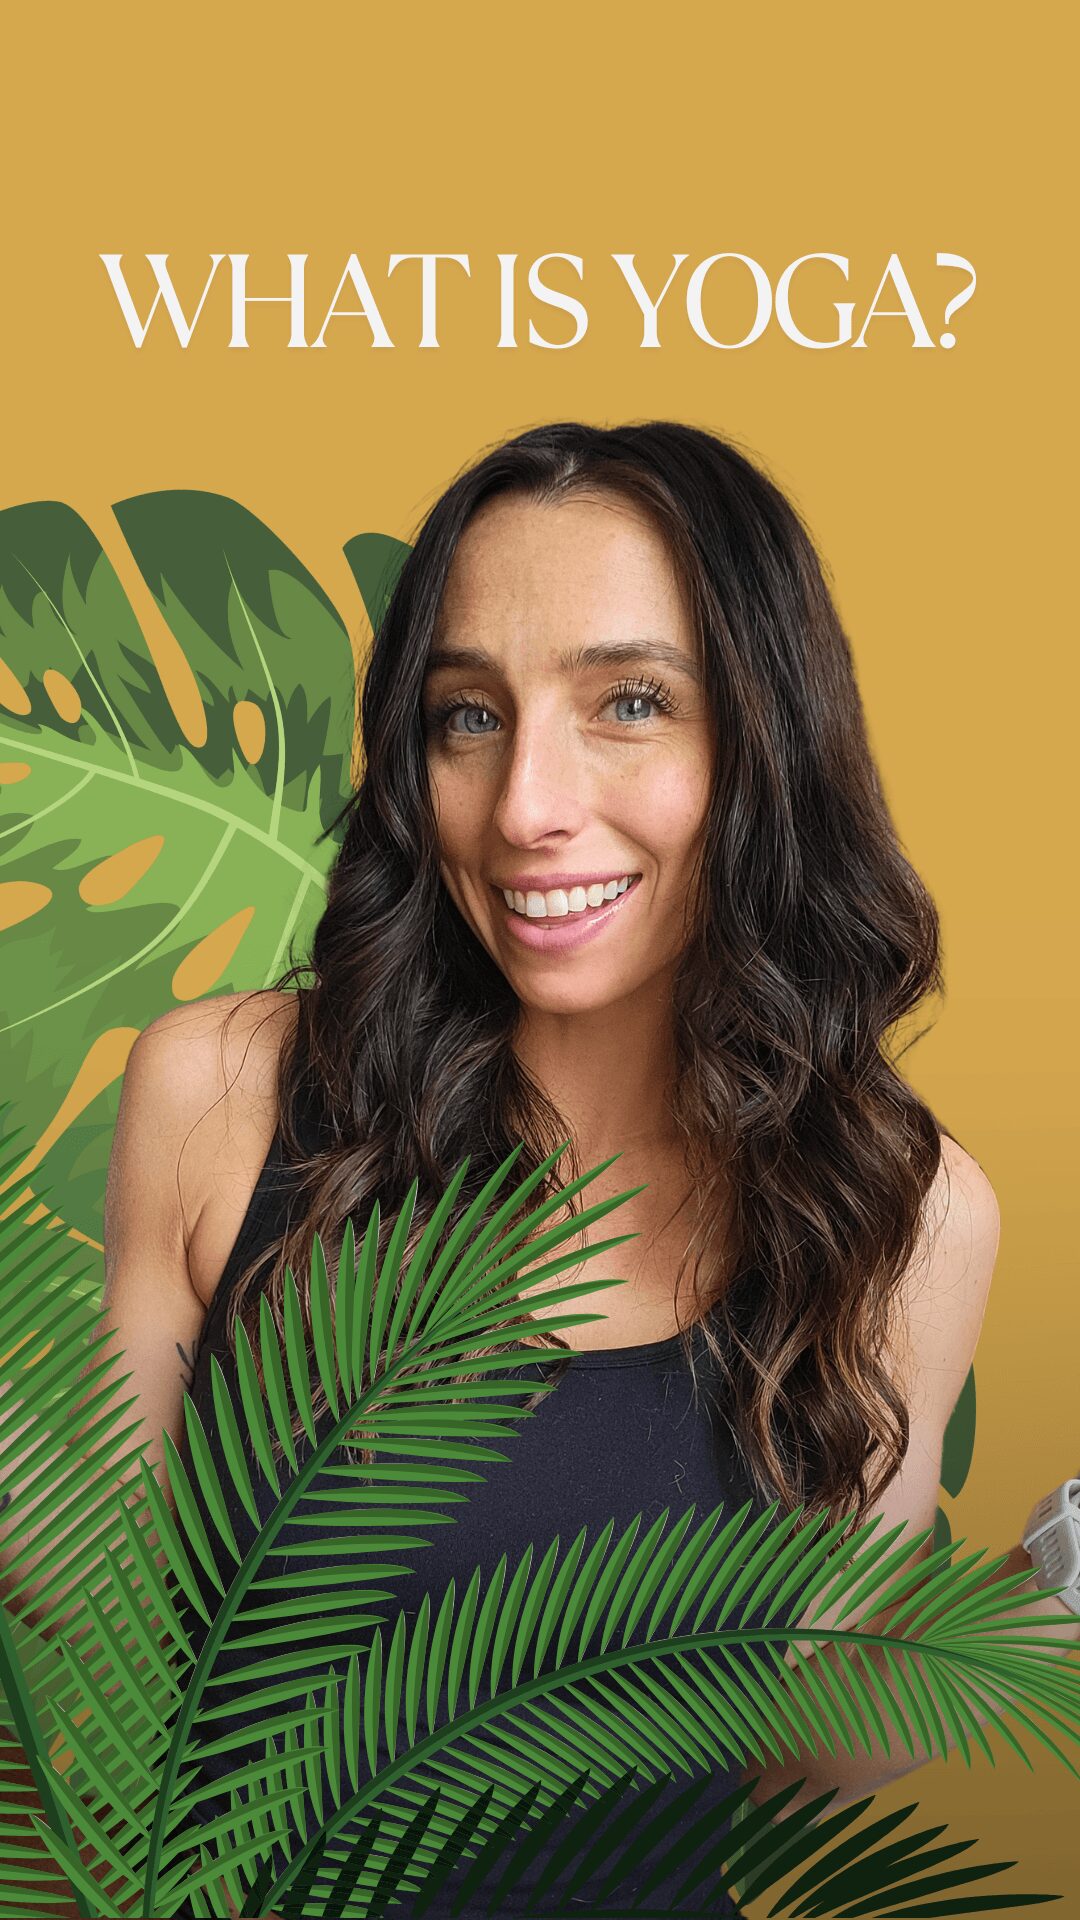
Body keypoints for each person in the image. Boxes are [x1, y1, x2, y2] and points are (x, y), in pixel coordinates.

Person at [101, 421, 1076, 1919]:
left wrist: (1064, 1584)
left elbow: (795, 1733)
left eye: (629, 703)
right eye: (467, 716)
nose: (524, 807)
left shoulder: (900, 1205)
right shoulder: (223, 1097)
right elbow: (98, 1657)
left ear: (765, 744)